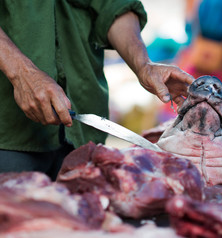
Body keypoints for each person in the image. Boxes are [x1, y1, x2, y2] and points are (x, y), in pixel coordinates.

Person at [0, 0, 194, 180]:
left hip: (82, 129)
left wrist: (144, 64)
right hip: (8, 131)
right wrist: (21, 72)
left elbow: (112, 5)